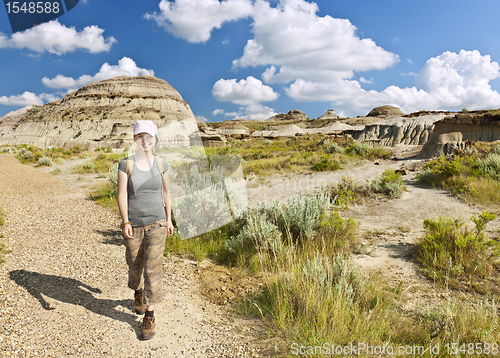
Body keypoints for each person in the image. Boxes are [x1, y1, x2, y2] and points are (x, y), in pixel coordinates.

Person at [117, 120, 174, 340]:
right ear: (134, 140)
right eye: (140, 136)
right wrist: (126, 222)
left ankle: (149, 316)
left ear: (155, 139)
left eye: (148, 136)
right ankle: (138, 292)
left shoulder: (162, 164)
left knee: (153, 268)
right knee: (134, 264)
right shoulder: (126, 164)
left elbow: (167, 194)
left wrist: (169, 219)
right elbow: (122, 194)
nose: (145, 141)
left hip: (157, 223)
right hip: (134, 223)